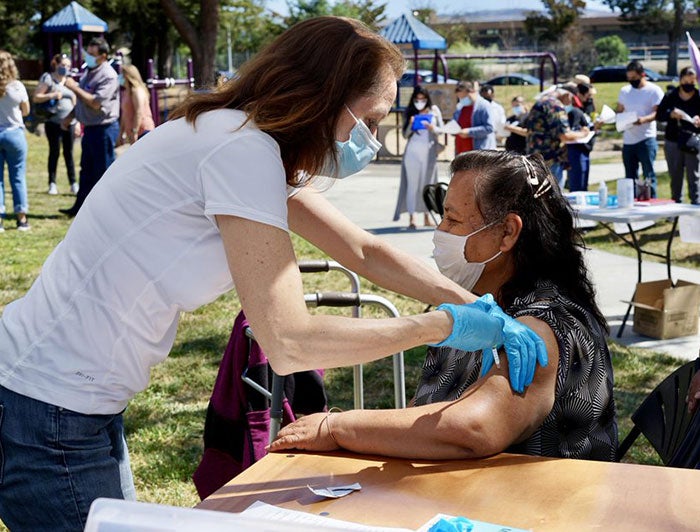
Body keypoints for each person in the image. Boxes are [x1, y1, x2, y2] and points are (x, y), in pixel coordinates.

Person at [0, 17, 547, 531]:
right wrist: (440, 326)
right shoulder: (241, 151)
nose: (373, 139)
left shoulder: (237, 138)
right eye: (372, 120)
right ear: (326, 97)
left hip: (65, 397)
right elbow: (289, 340)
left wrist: (477, 307)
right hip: (51, 406)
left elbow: (363, 250)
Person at [271, 150, 618, 462]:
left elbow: (473, 428)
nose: (440, 230)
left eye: (452, 219)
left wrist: (336, 428)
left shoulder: (537, 327)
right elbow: (425, 414)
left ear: (508, 232)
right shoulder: (483, 309)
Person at [59, 37, 120, 217]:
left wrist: (74, 87)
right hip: (91, 129)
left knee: (104, 172)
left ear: (103, 56)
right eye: (88, 53)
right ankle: (80, 209)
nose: (88, 58)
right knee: (86, 171)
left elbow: (95, 102)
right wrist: (70, 116)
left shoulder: (108, 75)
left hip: (105, 129)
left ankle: (107, 212)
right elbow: (82, 103)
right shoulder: (89, 72)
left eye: (93, 55)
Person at [394, 85, 443, 229]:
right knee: (412, 185)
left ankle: (427, 217)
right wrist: (411, 125)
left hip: (429, 154)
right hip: (412, 153)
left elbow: (440, 131)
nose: (420, 101)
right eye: (417, 99)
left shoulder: (434, 111)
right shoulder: (409, 111)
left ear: (427, 98)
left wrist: (432, 128)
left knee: (427, 185)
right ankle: (412, 217)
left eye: (423, 99)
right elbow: (404, 135)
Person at [525, 84, 589, 189]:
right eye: (572, 99)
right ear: (567, 95)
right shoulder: (555, 106)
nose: (571, 103)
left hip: (535, 158)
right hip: (550, 160)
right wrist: (584, 133)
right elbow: (564, 135)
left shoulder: (541, 102)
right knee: (553, 198)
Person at [616, 60, 664, 198]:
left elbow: (657, 112)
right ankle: (631, 203)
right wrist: (620, 119)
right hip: (628, 140)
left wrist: (643, 120)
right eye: (629, 78)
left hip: (646, 138)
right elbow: (619, 111)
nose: (631, 81)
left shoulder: (654, 90)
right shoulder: (624, 91)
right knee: (630, 176)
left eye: (634, 78)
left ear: (642, 74)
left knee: (649, 174)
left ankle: (652, 204)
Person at [33, 53, 78, 196]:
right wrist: (51, 95)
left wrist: (77, 123)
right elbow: (36, 97)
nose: (65, 68)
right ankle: (52, 183)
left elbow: (76, 102)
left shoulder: (70, 82)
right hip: (53, 122)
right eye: (63, 65)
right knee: (54, 152)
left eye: (68, 66)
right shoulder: (48, 78)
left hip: (70, 123)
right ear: (56, 64)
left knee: (69, 153)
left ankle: (73, 183)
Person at [656, 66, 700, 204]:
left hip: (692, 141)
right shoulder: (671, 95)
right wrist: (671, 114)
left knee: (694, 177)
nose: (689, 86)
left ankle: (696, 207)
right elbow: (660, 115)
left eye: (692, 83)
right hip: (673, 141)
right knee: (675, 177)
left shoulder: (698, 96)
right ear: (680, 80)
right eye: (686, 82)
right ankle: (676, 207)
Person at [0, 50, 30, 232]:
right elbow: (25, 111)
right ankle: (22, 219)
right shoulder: (17, 86)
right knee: (17, 177)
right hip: (14, 134)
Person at [453, 81, 495, 154]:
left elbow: (489, 128)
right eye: (459, 98)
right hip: (461, 152)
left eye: (463, 97)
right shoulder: (460, 107)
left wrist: (469, 132)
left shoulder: (484, 106)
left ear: (472, 92)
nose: (462, 100)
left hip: (477, 152)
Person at [117, 64, 155, 145]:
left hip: (143, 131)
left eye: (121, 74)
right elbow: (125, 113)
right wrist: (121, 133)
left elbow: (139, 112)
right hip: (132, 132)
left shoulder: (137, 91)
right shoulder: (126, 92)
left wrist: (134, 131)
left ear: (127, 76)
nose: (119, 76)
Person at [566, 90, 595, 192]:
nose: (590, 99)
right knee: (577, 184)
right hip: (576, 150)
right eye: (588, 96)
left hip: (584, 150)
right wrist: (583, 132)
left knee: (583, 183)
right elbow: (572, 129)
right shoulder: (575, 112)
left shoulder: (584, 111)